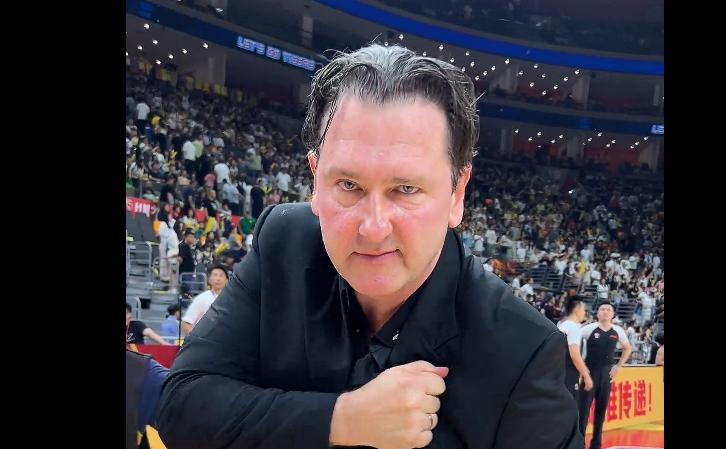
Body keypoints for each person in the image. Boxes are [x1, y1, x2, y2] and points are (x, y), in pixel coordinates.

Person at [157, 44, 582, 449]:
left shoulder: (523, 352)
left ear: (457, 193)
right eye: (348, 185)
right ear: (315, 179)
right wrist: (343, 418)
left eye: (406, 188)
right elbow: (182, 407)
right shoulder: (283, 242)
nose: (374, 228)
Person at [578, 302, 632, 449]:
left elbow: (627, 348)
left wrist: (618, 366)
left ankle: (596, 444)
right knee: (583, 412)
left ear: (613, 314)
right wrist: (582, 369)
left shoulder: (618, 330)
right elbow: (574, 345)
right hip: (589, 374)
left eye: (608, 310)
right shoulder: (588, 329)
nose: (605, 312)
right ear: (598, 313)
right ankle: (579, 443)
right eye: (602, 309)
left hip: (607, 375)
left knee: (600, 412)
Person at [557, 296, 594, 400]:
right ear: (577, 310)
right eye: (584, 310)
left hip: (560, 374)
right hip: (569, 376)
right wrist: (586, 375)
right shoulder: (573, 328)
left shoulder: (562, 325)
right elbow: (575, 355)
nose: (584, 313)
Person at [180, 265, 229, 336]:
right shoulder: (202, 298)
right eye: (215, 275)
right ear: (209, 279)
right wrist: (197, 339)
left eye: (221, 276)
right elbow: (186, 323)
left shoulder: (232, 299)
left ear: (227, 280)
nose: (218, 279)